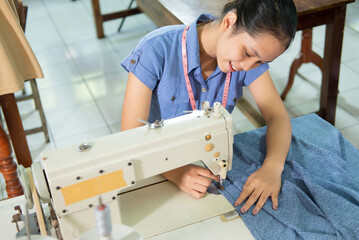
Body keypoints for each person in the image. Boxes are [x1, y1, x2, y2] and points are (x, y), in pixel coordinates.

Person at [120, 0, 297, 215]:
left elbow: (278, 117)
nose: (248, 67)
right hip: (154, 164)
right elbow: (129, 136)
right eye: (249, 53)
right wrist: (176, 172)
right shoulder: (156, 49)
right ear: (229, 22)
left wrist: (272, 167)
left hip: (202, 163)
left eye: (260, 62)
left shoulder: (245, 61)